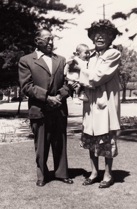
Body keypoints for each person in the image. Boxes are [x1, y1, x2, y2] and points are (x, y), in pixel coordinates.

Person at [18, 29, 75, 187]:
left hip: (59, 108)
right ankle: (42, 175)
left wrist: (60, 96)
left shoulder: (62, 60)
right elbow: (26, 86)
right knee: (41, 145)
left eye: (52, 39)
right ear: (37, 41)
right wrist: (47, 98)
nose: (51, 42)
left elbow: (70, 82)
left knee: (60, 143)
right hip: (39, 110)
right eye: (47, 39)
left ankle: (62, 173)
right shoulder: (26, 60)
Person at [79, 19, 121, 188]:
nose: (100, 37)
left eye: (105, 34)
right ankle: (94, 172)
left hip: (105, 105)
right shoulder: (90, 55)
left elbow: (96, 78)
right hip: (90, 105)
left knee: (106, 139)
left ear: (111, 38)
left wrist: (80, 66)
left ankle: (108, 174)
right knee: (90, 138)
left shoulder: (112, 54)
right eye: (96, 34)